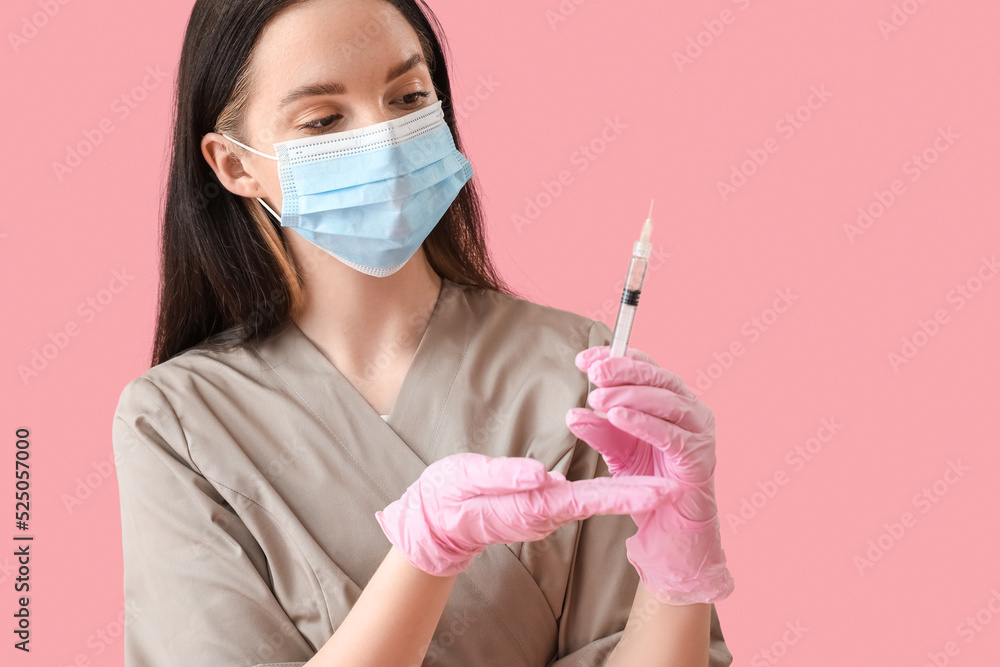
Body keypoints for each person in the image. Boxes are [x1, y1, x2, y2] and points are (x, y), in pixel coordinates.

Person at [110, 0, 736, 665]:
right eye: (324, 120)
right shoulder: (178, 420)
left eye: (407, 97)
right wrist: (424, 556)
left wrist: (679, 570)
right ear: (235, 164)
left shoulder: (577, 369)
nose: (383, 137)